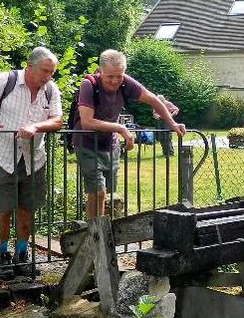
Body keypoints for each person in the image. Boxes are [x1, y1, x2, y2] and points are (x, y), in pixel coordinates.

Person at [0, 47, 63, 279]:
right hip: (5, 155)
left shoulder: (50, 89)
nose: (48, 76)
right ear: (29, 67)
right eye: (45, 71)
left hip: (34, 158)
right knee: (3, 208)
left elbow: (57, 121)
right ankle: (2, 257)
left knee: (27, 208)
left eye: (52, 72)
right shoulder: (6, 80)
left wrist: (35, 127)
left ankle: (22, 256)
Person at [72, 49, 185, 218]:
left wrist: (173, 123)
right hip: (87, 143)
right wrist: (121, 128)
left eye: (119, 75)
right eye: (110, 76)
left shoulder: (125, 83)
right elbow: (87, 122)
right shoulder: (88, 85)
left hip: (109, 144)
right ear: (100, 71)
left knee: (106, 192)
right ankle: (95, 234)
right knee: (97, 191)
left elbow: (153, 99)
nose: (115, 81)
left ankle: (100, 231)